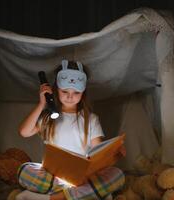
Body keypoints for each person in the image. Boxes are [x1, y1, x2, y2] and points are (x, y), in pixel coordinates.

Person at [16, 59, 125, 200]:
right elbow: (24, 132)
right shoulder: (49, 117)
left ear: (83, 94)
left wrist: (114, 154)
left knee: (117, 175)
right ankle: (88, 194)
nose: (70, 97)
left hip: (82, 177)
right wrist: (42, 104)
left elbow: (98, 152)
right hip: (53, 176)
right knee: (24, 170)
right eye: (65, 91)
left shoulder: (91, 119)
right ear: (56, 89)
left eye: (76, 93)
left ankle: (53, 198)